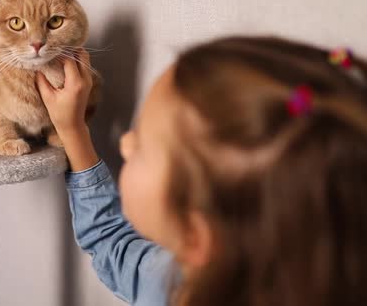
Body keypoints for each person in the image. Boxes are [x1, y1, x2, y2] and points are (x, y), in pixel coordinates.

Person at [36, 36, 367, 306]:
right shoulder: (198, 269)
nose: (125, 143)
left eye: (144, 146)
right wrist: (73, 129)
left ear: (195, 237)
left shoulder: (172, 289)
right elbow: (112, 241)